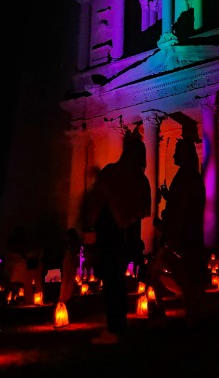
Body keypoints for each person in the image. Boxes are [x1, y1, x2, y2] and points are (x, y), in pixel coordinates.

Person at [83, 129, 151, 343]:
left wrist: (93, 230)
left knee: (113, 282)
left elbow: (97, 203)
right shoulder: (137, 178)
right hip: (121, 233)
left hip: (113, 233)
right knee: (115, 281)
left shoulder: (116, 173)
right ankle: (117, 326)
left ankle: (115, 328)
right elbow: (143, 209)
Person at [151, 137, 206, 304]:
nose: (174, 155)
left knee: (173, 273)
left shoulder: (187, 176)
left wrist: (172, 233)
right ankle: (190, 305)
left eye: (177, 152)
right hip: (183, 234)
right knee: (178, 274)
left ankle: (188, 307)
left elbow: (184, 207)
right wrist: (169, 197)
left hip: (183, 236)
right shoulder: (187, 175)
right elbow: (181, 202)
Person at [60, 228, 81, 302]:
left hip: (70, 259)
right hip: (70, 259)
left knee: (68, 279)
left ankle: (65, 297)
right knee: (68, 279)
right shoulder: (72, 246)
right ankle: (65, 297)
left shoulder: (70, 247)